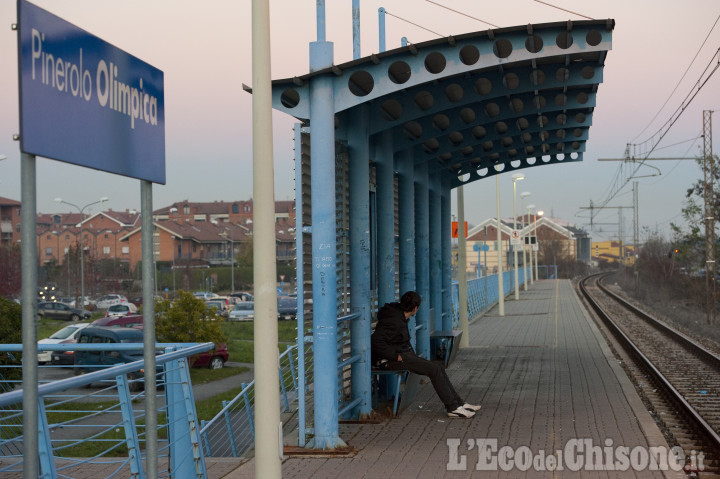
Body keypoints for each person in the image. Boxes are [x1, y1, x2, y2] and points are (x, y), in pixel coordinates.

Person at [371, 291, 481, 418]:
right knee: (434, 369)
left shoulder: (398, 316)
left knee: (438, 367)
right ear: (415, 308)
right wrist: (395, 356)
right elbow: (376, 341)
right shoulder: (394, 320)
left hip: (401, 356)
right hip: (388, 361)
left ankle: (459, 403)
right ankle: (452, 407)